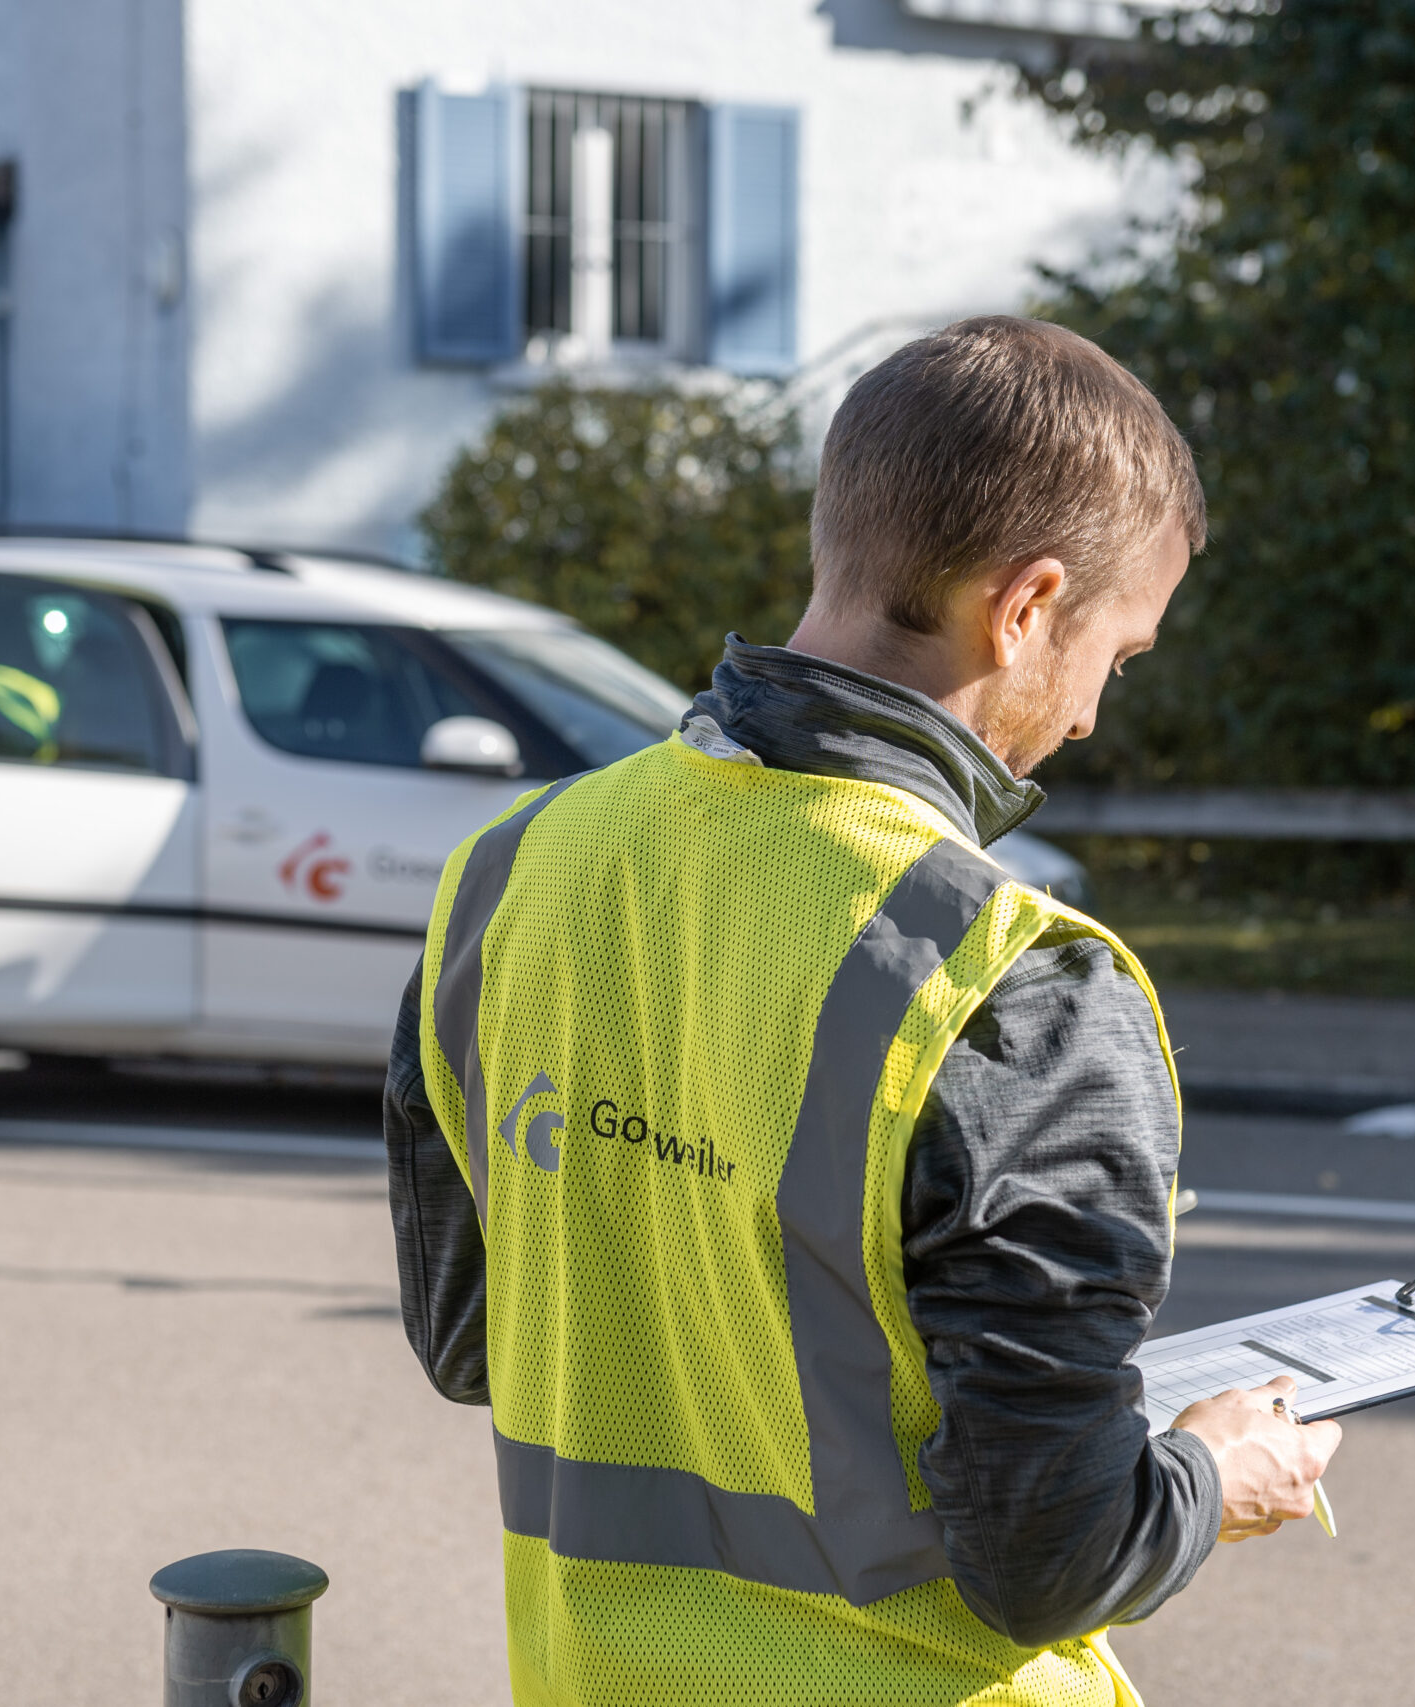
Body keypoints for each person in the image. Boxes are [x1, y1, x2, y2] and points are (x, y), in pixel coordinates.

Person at [385, 316, 1341, 1705]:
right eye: (1116, 656)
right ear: (1024, 609)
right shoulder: (1018, 986)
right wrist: (1210, 1470)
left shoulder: (507, 874)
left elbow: (475, 1338)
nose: (1086, 716)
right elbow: (1049, 1553)